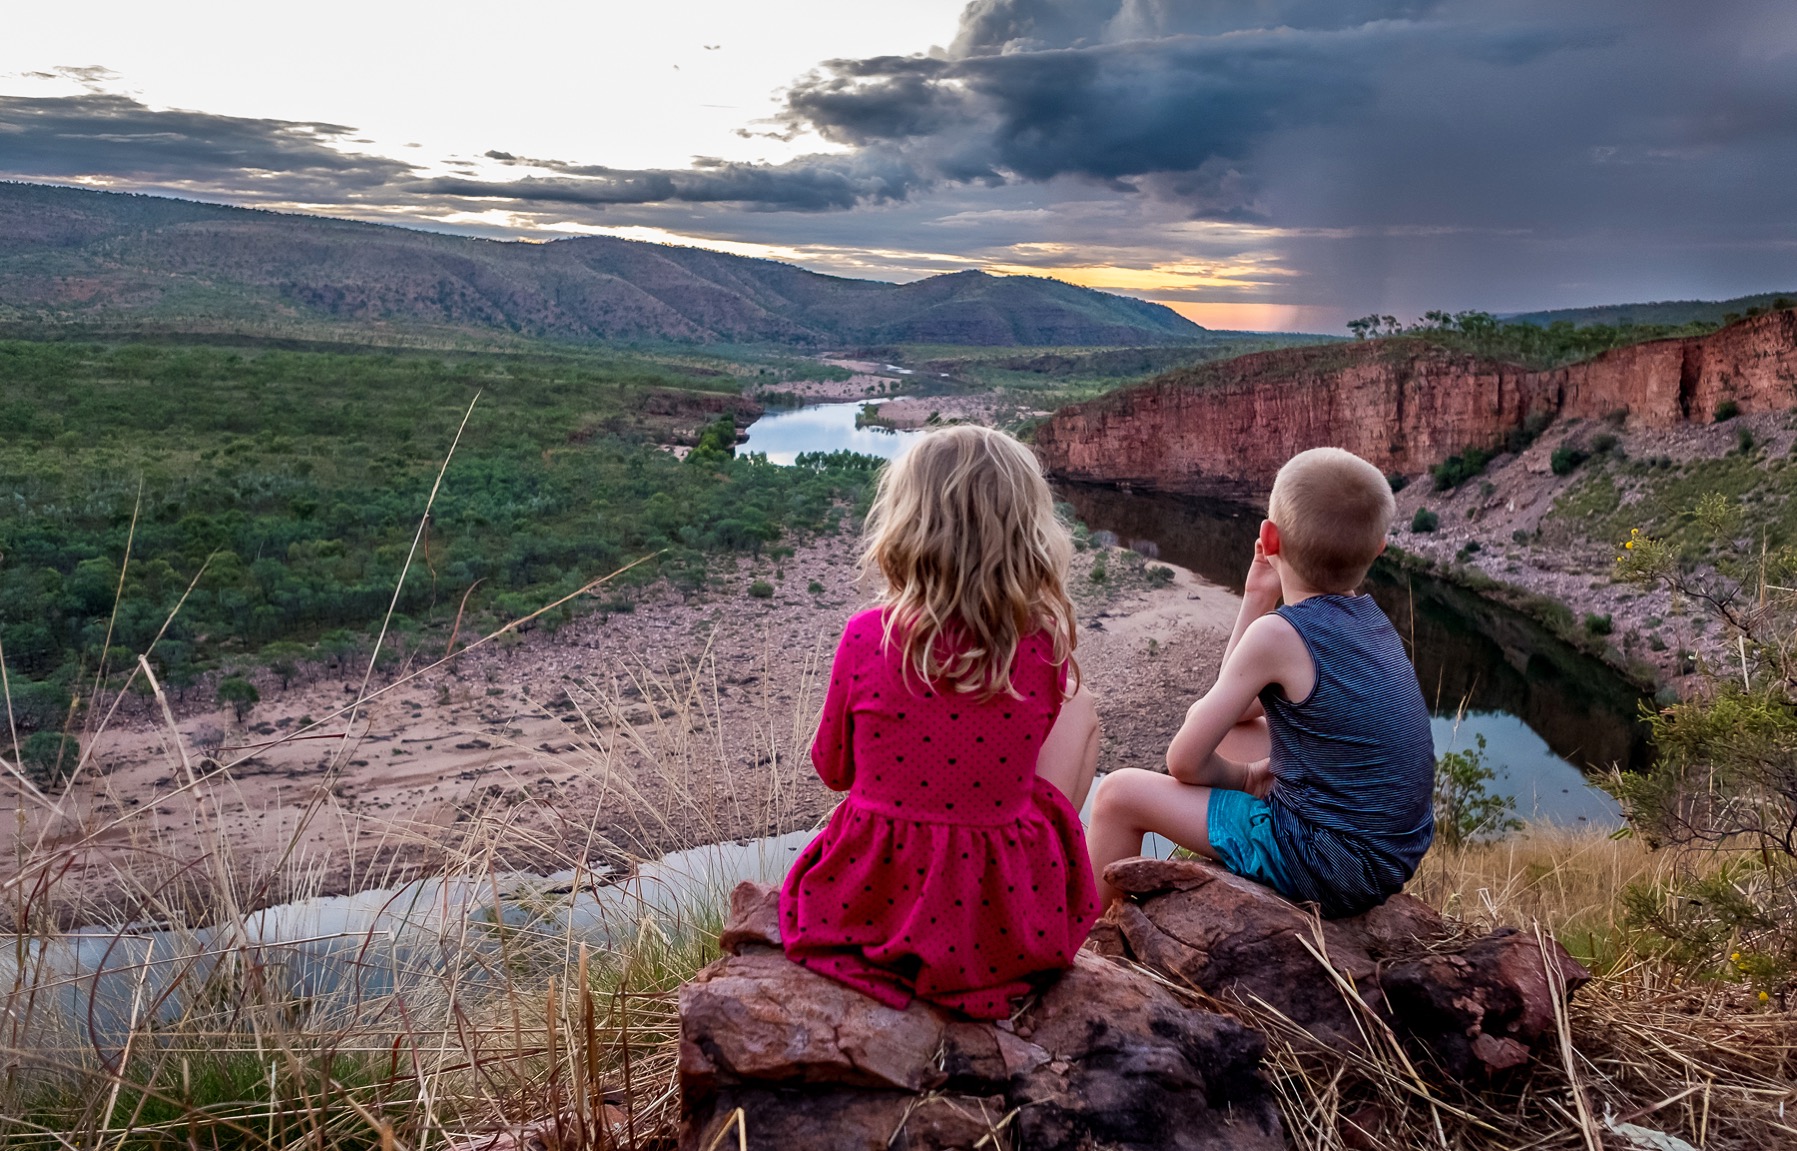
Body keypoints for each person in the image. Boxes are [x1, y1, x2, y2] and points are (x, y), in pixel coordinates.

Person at [779, 425, 1102, 1019]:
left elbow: (832, 769)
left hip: (871, 901)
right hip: (998, 917)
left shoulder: (865, 637)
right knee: (1082, 717)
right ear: (1029, 534)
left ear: (906, 526)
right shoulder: (1043, 646)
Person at [1087, 446, 1434, 918]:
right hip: (1390, 856)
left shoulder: (1279, 634)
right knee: (1235, 731)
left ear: (1268, 539)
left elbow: (1183, 760)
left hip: (1324, 865)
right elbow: (1240, 708)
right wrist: (1256, 595)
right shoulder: (1372, 621)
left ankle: (1089, 941)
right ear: (1378, 549)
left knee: (1116, 794)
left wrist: (1247, 778)